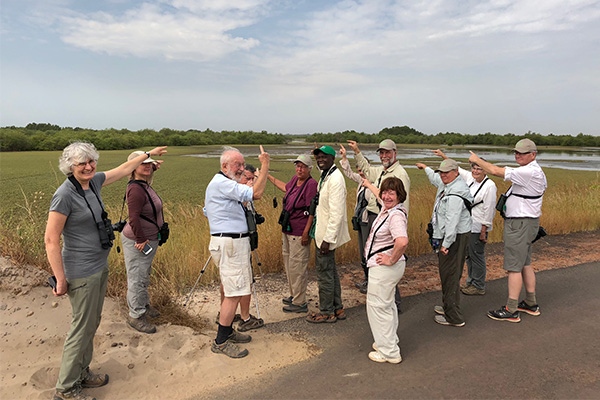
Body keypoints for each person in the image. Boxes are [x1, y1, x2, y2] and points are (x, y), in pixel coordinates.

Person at [45, 142, 167, 400]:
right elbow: (51, 239)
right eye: (81, 163)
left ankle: (82, 373)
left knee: (92, 324)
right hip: (80, 271)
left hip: (98, 266)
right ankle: (66, 389)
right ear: (70, 166)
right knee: (81, 328)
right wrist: (61, 279)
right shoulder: (65, 194)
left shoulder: (94, 182)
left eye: (91, 161)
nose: (88, 167)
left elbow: (124, 169)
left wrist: (147, 156)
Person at [469, 139, 547, 322]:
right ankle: (530, 302)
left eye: (522, 153)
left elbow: (495, 171)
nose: (517, 155)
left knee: (513, 267)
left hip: (519, 224)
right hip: (528, 223)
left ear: (533, 154)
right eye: (516, 152)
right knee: (525, 263)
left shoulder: (528, 172)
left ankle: (511, 309)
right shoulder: (536, 172)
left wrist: (477, 160)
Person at [205, 146, 270, 358]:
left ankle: (228, 333)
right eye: (237, 165)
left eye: (243, 164)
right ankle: (221, 341)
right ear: (224, 166)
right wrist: (265, 165)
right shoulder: (222, 183)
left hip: (233, 243)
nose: (242, 169)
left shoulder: (225, 184)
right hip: (230, 244)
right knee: (233, 294)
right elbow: (256, 193)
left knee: (237, 289)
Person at [346, 139, 410, 310]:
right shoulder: (383, 170)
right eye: (381, 153)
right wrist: (357, 152)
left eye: (387, 152)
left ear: (395, 153)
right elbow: (366, 171)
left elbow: (402, 205)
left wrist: (397, 228)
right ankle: (380, 295)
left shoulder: (400, 174)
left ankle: (392, 303)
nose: (384, 156)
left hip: (389, 222)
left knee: (386, 260)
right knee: (375, 257)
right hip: (378, 216)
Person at [416, 158, 473, 327]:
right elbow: (435, 179)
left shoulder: (455, 192)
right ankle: (448, 306)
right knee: (448, 273)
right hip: (451, 236)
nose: (443, 175)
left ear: (456, 172)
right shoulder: (447, 184)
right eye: (441, 172)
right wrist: (425, 167)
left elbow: (452, 222)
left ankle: (454, 317)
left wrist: (446, 244)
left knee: (450, 275)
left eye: (447, 172)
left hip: (454, 238)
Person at [433, 149, 497, 295]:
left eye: (479, 168)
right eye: (474, 167)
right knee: (468, 256)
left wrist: (483, 230)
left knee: (477, 256)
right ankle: (470, 281)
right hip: (468, 226)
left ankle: (479, 285)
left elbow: (489, 209)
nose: (475, 170)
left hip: (478, 225)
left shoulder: (490, 186)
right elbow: (457, 170)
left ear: (486, 170)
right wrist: (444, 156)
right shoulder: (471, 180)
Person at [361, 177, 408, 364]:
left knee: (378, 307)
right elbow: (378, 195)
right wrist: (368, 184)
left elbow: (402, 241)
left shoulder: (395, 215)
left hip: (385, 268)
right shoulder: (388, 208)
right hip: (385, 269)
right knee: (387, 306)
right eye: (385, 192)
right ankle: (388, 341)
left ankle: (388, 352)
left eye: (392, 193)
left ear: (399, 195)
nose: (387, 196)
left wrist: (391, 259)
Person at [214, 164, 265, 331]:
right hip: (235, 243)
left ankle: (225, 314)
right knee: (243, 280)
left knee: (229, 279)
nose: (249, 181)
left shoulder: (230, 189)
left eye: (252, 178)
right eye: (246, 178)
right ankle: (245, 317)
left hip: (236, 241)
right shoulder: (234, 192)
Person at [122, 151, 166, 334]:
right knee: (137, 278)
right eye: (143, 164)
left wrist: (153, 166)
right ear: (133, 167)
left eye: (150, 164)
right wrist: (140, 239)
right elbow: (133, 218)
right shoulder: (136, 190)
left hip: (149, 238)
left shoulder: (143, 182)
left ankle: (143, 305)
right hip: (138, 241)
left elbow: (148, 168)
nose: (148, 166)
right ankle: (136, 316)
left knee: (143, 275)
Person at [268, 154, 318, 313]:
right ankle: (294, 295)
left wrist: (306, 232)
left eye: (303, 166)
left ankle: (300, 302)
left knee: (298, 266)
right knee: (289, 264)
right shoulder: (295, 180)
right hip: (288, 229)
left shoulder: (311, 184)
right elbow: (285, 187)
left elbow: (312, 210)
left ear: (310, 169)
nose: (299, 169)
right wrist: (266, 176)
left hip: (299, 230)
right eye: (297, 166)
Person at [306, 145, 351, 323]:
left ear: (333, 158)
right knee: (330, 271)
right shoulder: (327, 175)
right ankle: (337, 308)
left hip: (325, 237)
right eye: (318, 157)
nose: (320, 160)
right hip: (322, 234)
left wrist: (327, 240)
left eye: (324, 157)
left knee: (324, 274)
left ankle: (326, 312)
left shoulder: (336, 179)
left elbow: (337, 213)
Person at [339, 144, 373, 294]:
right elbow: (348, 173)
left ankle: (371, 281)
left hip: (368, 222)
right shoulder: (361, 181)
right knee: (362, 250)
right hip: (360, 220)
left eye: (362, 170)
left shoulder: (375, 182)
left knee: (368, 250)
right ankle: (366, 278)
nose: (360, 172)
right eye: (359, 170)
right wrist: (344, 158)